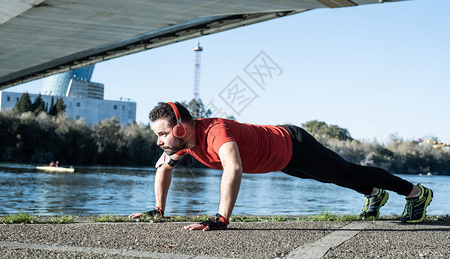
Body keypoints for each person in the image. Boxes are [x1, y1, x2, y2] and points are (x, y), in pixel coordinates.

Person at [129, 102, 433, 231]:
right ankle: (374, 194)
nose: (159, 141)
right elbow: (163, 168)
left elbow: (233, 169)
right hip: (283, 161)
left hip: (294, 144)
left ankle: (416, 193)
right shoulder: (184, 143)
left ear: (181, 129)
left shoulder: (215, 133)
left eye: (162, 134)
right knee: (334, 178)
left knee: (347, 172)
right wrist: (158, 210)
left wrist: (221, 219)